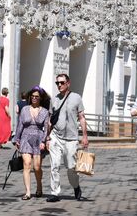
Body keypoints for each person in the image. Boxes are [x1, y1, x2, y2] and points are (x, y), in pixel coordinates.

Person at [46, 73, 89, 203]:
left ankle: (76, 186)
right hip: (56, 137)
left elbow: (81, 118)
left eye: (62, 82)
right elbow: (50, 120)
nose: (59, 85)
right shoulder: (54, 99)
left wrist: (85, 136)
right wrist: (47, 137)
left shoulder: (76, 98)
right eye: (57, 83)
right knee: (54, 165)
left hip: (71, 139)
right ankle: (54, 193)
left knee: (71, 167)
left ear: (68, 83)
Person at [13, 87, 50, 200]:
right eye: (32, 96)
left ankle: (39, 186)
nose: (34, 98)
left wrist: (44, 141)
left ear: (40, 98)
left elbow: (46, 128)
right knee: (27, 164)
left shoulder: (45, 111)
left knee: (37, 167)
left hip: (39, 139)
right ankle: (28, 192)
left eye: (36, 96)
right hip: (25, 138)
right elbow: (20, 125)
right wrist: (16, 139)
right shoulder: (24, 109)